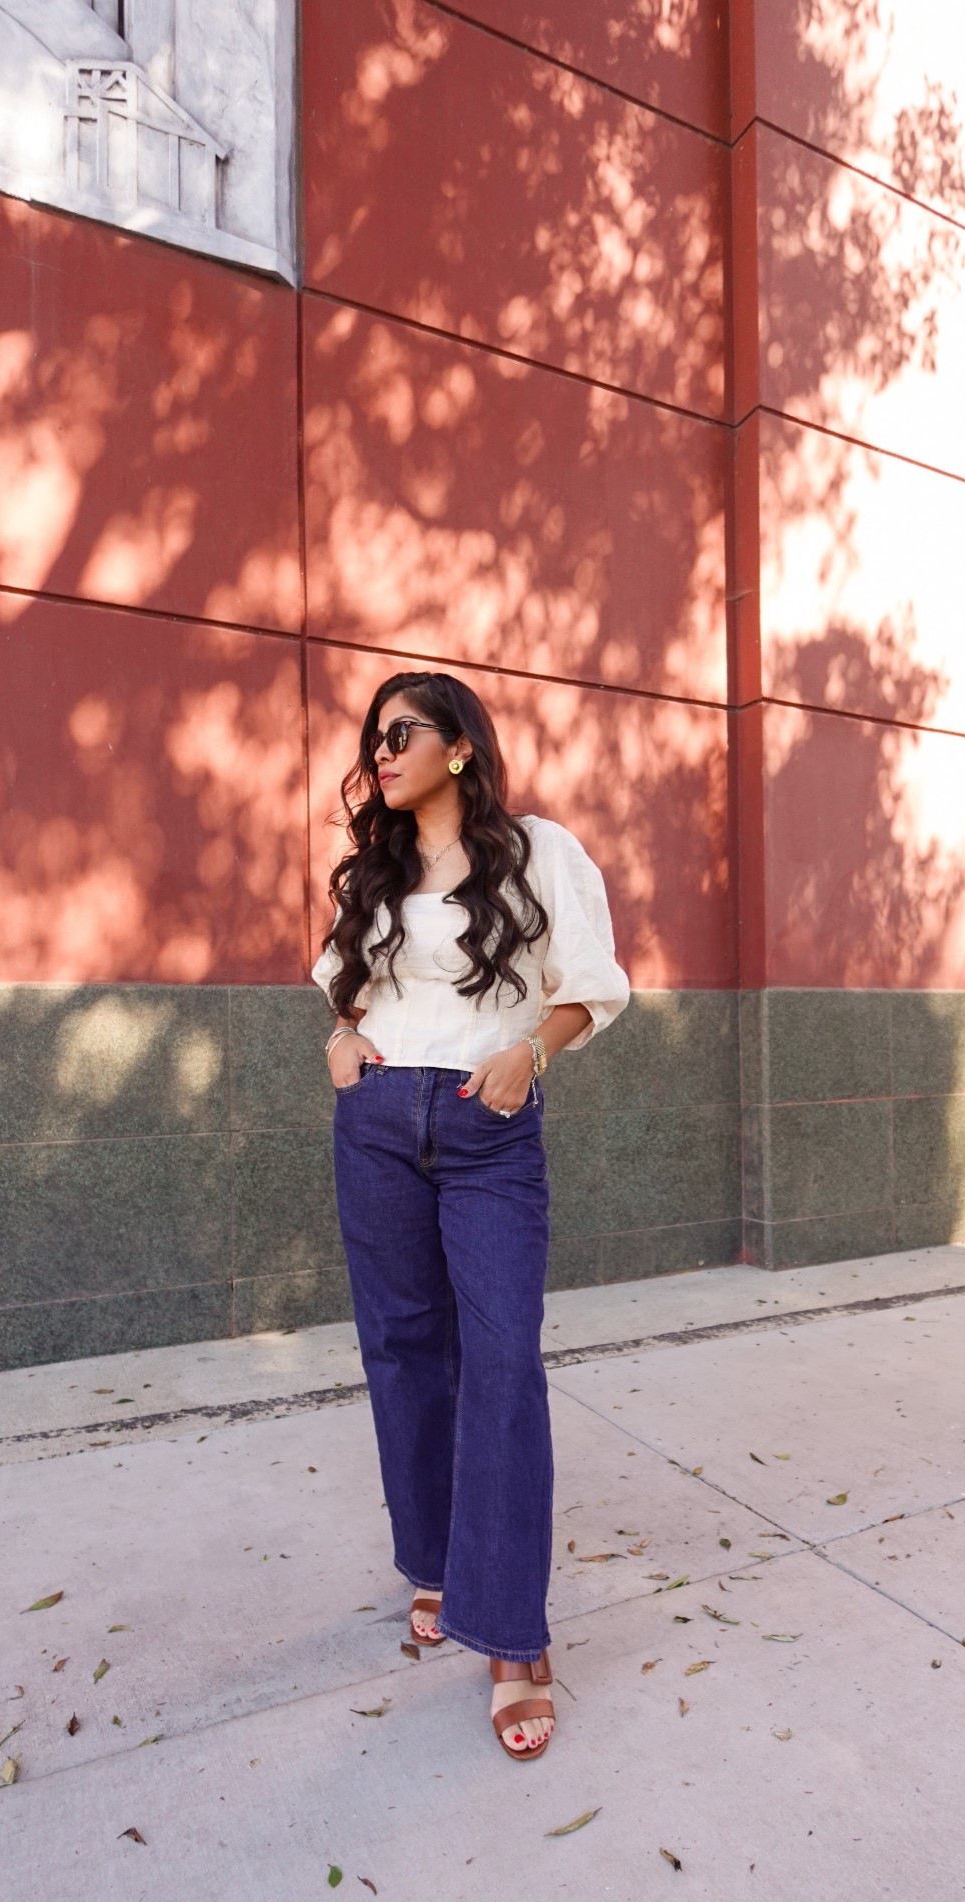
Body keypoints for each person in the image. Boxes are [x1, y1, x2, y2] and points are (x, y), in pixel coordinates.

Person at [312, 670, 629, 1759]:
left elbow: (590, 983)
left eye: (400, 732)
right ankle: (438, 1563)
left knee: (501, 1360)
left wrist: (529, 1051)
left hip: (485, 1121)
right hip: (379, 1116)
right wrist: (343, 1043)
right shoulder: (379, 867)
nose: (380, 751)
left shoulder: (538, 849)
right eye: (372, 737)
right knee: (404, 1349)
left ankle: (512, 1637)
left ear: (459, 746)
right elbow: (347, 987)